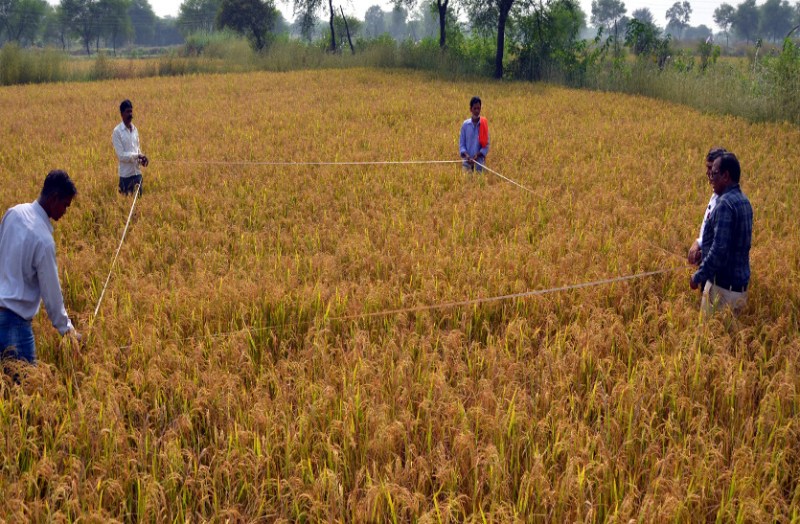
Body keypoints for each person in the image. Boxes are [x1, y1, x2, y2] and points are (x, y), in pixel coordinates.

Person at [0, 170, 81, 364]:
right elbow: (52, 296)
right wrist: (68, 331)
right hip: (15, 326)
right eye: (65, 205)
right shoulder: (43, 240)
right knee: (25, 382)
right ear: (54, 198)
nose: (65, 211)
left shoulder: (14, 213)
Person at [689, 152, 753, 316]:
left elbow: (719, 250)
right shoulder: (744, 201)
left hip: (722, 290)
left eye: (714, 173)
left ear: (726, 176)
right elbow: (732, 244)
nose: (710, 178)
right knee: (729, 332)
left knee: (710, 332)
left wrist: (698, 276)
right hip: (738, 290)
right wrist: (704, 252)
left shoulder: (724, 204)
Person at [688, 147, 727, 267]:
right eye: (707, 168)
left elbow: (723, 241)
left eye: (711, 168)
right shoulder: (716, 195)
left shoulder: (727, 202)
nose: (708, 173)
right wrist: (701, 248)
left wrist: (700, 245)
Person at [112, 99, 148, 196]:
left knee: (139, 204)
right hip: (126, 177)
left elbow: (137, 150)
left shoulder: (135, 130)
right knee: (125, 204)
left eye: (131, 111)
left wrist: (142, 160)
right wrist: (137, 156)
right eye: (127, 112)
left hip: (137, 175)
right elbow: (121, 156)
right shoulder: (117, 132)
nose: (130, 114)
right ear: (122, 114)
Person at [459, 96, 490, 173]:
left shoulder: (484, 125)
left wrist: (477, 155)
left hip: (479, 164)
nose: (477, 111)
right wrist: (467, 156)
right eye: (474, 108)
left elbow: (486, 145)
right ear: (470, 109)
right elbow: (462, 144)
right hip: (467, 163)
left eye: (478, 108)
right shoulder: (465, 125)